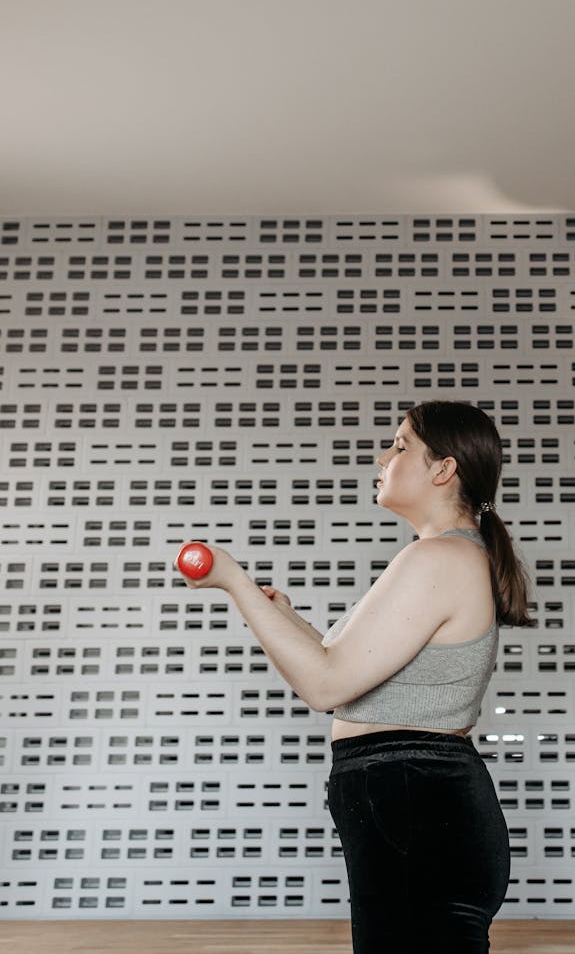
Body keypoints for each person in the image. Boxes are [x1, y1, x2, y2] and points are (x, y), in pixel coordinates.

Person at [175, 400, 536, 953]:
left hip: (418, 804)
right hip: (416, 805)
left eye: (399, 445)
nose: (382, 456)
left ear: (443, 469)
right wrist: (285, 615)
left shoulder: (437, 558)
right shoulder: (442, 556)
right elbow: (338, 666)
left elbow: (325, 685)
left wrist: (233, 581)